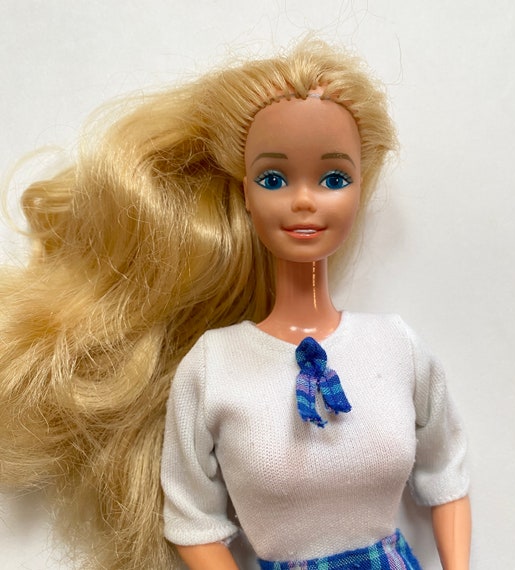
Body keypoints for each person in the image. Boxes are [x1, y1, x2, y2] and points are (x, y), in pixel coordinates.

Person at [0, 39, 470, 570]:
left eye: (334, 178)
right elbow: (192, 521)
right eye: (274, 179)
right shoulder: (213, 366)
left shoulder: (396, 346)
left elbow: (446, 474)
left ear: (360, 188)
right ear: (246, 194)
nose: (304, 200)